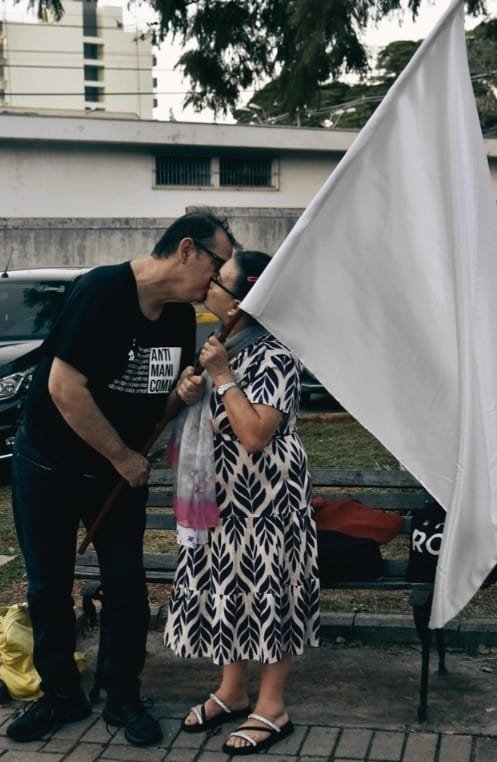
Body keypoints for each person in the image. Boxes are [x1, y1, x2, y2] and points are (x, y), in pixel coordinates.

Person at [6, 211, 237, 747]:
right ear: (186, 249)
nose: (218, 279)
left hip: (116, 475)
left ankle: (122, 695)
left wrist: (180, 395)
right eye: (217, 264)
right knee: (48, 586)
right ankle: (60, 695)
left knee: (127, 586)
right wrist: (122, 456)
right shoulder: (102, 291)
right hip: (50, 467)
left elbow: (156, 394)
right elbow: (65, 387)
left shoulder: (179, 316)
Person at [164, 250, 320, 756]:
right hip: (223, 502)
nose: (207, 286)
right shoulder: (225, 344)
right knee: (229, 594)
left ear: (241, 301)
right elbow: (210, 419)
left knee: (269, 595)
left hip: (269, 503)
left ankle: (272, 708)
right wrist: (189, 391)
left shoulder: (275, 353)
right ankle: (232, 692)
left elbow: (255, 434)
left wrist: (222, 376)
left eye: (218, 282)